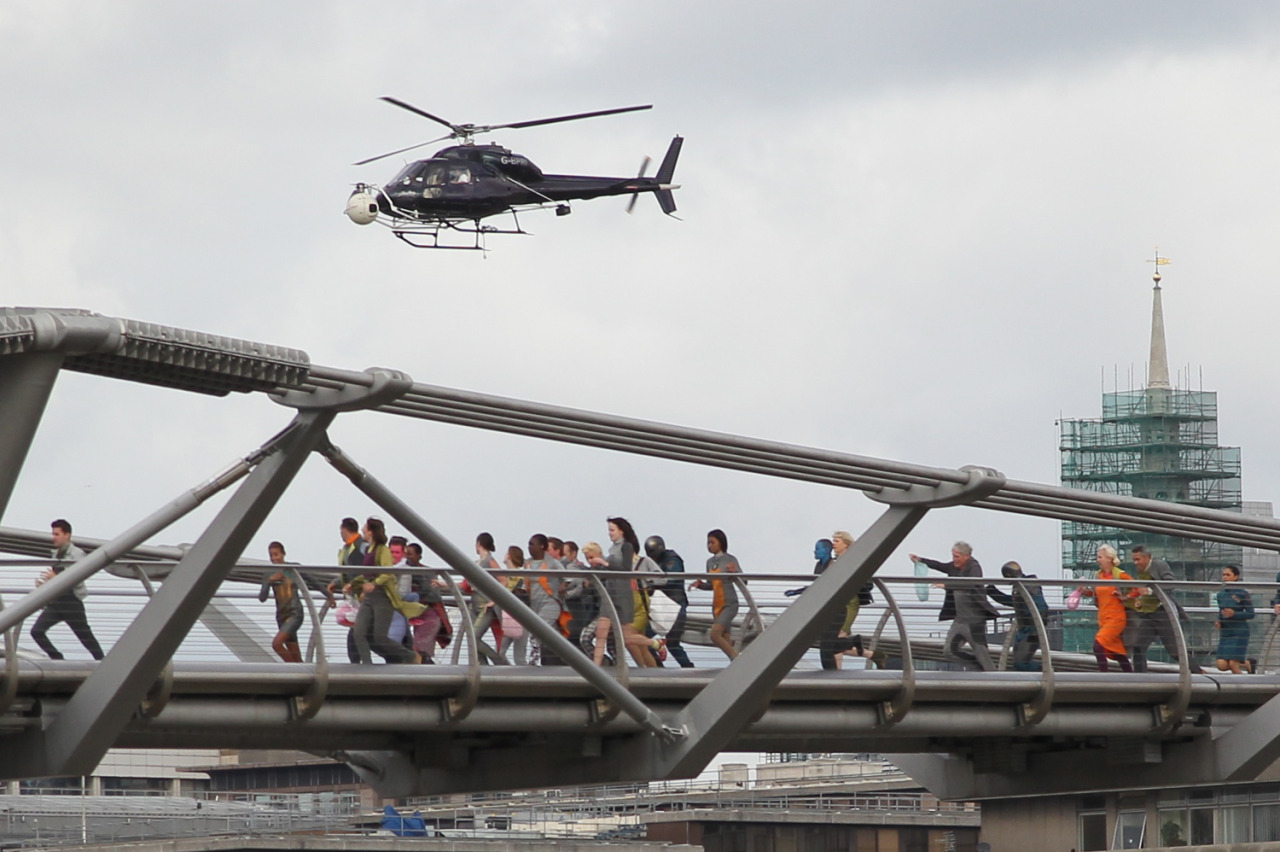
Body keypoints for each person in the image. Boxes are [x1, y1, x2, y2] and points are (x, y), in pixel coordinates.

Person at [910, 541, 999, 671]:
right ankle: (976, 666)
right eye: (953, 556)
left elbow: (970, 584)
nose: (954, 560)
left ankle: (994, 679)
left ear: (966, 556)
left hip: (975, 621)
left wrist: (947, 585)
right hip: (959, 620)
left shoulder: (974, 567)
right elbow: (940, 565)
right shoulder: (954, 567)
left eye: (956, 557)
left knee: (982, 654)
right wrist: (921, 560)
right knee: (949, 651)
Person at [31, 519, 104, 661]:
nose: (54, 537)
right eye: (53, 534)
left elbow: (78, 577)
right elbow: (56, 579)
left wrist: (56, 578)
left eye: (57, 534)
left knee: (84, 636)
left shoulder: (77, 554)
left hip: (71, 602)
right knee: (37, 631)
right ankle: (57, 659)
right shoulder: (55, 554)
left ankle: (102, 661)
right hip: (56, 601)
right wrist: (44, 586)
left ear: (67, 535)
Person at [1123, 545, 1203, 673]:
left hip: (1163, 613)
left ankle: (1198, 672)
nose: (1135, 563)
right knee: (1138, 647)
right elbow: (1145, 590)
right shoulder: (1141, 570)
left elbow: (1170, 584)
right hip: (1149, 614)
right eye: (1134, 560)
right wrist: (1140, 602)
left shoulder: (1159, 565)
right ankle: (1140, 679)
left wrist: (1149, 591)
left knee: (1175, 652)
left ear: (1147, 557)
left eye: (1138, 559)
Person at [353, 518, 421, 665]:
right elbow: (367, 573)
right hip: (369, 598)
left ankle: (409, 655)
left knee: (379, 636)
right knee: (358, 633)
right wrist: (353, 584)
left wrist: (374, 584)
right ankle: (366, 666)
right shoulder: (368, 549)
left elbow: (387, 573)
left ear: (371, 531)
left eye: (365, 527)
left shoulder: (383, 550)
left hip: (383, 598)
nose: (363, 530)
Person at [1081, 545, 1139, 673]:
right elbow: (1097, 594)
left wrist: (1125, 597)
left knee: (1098, 645)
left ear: (1109, 559)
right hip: (1103, 617)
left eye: (1100, 557)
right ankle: (1130, 677)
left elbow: (1138, 588)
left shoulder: (1119, 574)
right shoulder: (1098, 575)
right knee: (1117, 652)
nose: (1098, 560)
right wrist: (1085, 591)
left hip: (1116, 618)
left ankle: (1104, 676)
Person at [984, 561, 1048, 671]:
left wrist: (1034, 626)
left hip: (1031, 631)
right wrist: (994, 592)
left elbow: (1042, 608)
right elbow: (1014, 602)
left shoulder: (1028, 585)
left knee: (1021, 663)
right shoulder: (1021, 586)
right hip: (1025, 630)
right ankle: (1039, 676)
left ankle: (1045, 672)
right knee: (1018, 663)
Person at [644, 535, 694, 668]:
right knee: (642, 636)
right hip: (660, 605)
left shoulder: (672, 559)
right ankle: (657, 667)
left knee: (672, 642)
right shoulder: (654, 563)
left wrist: (654, 583)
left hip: (676, 604)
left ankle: (688, 668)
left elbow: (673, 577)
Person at [693, 528, 742, 661]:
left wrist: (735, 571)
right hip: (717, 605)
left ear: (721, 542)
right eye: (708, 543)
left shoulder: (730, 559)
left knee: (715, 635)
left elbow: (744, 580)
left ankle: (738, 659)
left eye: (712, 542)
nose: (709, 545)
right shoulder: (709, 562)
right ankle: (735, 664)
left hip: (729, 603)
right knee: (726, 639)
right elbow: (711, 584)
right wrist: (701, 585)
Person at [258, 541, 303, 662]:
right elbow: (262, 598)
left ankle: (296, 671)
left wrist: (329, 595)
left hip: (295, 613)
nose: (274, 558)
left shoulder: (293, 568)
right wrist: (269, 581)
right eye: (271, 555)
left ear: (283, 554)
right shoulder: (268, 573)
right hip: (281, 616)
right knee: (296, 656)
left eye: (276, 554)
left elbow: (313, 581)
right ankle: (301, 674)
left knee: (277, 644)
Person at [526, 534, 567, 666]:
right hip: (534, 604)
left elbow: (569, 579)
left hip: (550, 603)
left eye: (532, 544)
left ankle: (533, 662)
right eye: (529, 544)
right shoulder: (528, 563)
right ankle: (565, 661)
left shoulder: (553, 563)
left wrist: (560, 589)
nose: (529, 547)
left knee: (538, 630)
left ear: (542, 546)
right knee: (553, 636)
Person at [405, 542, 449, 663]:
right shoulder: (406, 571)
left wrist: (417, 595)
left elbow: (433, 594)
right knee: (420, 650)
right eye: (405, 554)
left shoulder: (427, 572)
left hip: (429, 616)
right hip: (418, 617)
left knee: (420, 650)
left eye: (410, 554)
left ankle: (429, 676)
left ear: (419, 556)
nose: (407, 557)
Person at [469, 532, 505, 664]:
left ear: (479, 544)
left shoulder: (490, 561)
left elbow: (504, 581)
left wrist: (494, 601)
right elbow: (465, 584)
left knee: (474, 637)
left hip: (485, 606)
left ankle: (499, 662)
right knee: (471, 638)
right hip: (474, 605)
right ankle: (483, 667)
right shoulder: (476, 562)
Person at [1215, 565, 1255, 674]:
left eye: (1228, 575)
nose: (1225, 577)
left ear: (1236, 577)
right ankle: (1247, 663)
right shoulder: (1220, 594)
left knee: (1233, 664)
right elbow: (1221, 610)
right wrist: (1219, 620)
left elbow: (1251, 613)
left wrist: (1235, 614)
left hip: (1239, 631)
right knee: (1221, 665)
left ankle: (1246, 687)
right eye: (1223, 575)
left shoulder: (1242, 593)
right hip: (1226, 632)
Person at [561, 540, 598, 652]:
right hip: (583, 610)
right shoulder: (583, 568)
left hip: (578, 610)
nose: (563, 557)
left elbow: (580, 587)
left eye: (565, 553)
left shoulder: (575, 568)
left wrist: (565, 595)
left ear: (573, 553)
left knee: (578, 642)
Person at [499, 546, 529, 665]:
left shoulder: (519, 577)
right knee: (501, 652)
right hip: (511, 618)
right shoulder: (508, 576)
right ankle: (510, 675)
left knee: (518, 657)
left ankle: (523, 681)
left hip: (519, 618)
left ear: (509, 556)